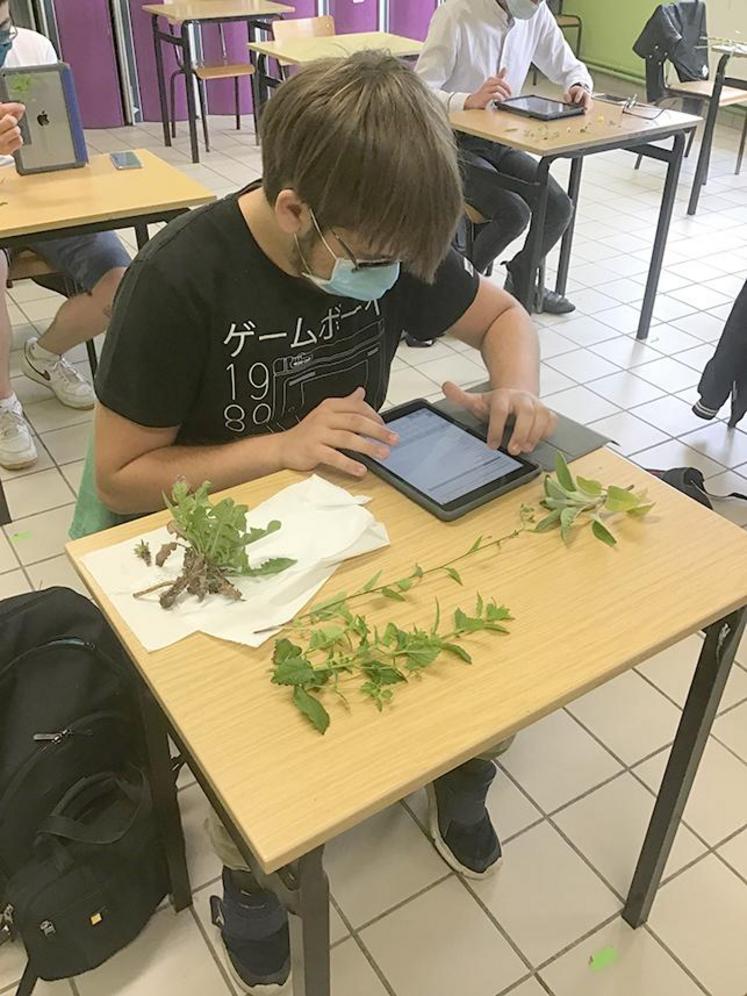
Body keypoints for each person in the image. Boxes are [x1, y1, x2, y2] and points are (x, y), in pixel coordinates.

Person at [77, 52, 557, 994]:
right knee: (261, 716)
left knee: (490, 616)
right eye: (374, 262)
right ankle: (252, 869)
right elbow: (123, 477)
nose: (388, 282)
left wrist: (517, 388)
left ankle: (463, 765)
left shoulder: (383, 230)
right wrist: (280, 448)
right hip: (205, 524)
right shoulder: (179, 280)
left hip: (335, 502)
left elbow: (504, 317)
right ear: (293, 209)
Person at [0, 2, 130, 471]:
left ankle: (45, 356)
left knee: (122, 281)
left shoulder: (33, 48)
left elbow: (61, 136)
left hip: (41, 195)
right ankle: (4, 407)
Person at [416, 0, 594, 314]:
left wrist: (578, 85)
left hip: (498, 139)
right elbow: (419, 90)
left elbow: (568, 66)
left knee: (558, 206)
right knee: (513, 213)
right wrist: (466, 100)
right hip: (449, 143)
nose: (536, 3)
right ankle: (450, 294)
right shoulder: (456, 12)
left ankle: (522, 279)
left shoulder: (535, 14)